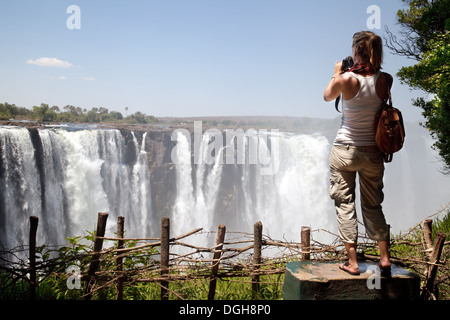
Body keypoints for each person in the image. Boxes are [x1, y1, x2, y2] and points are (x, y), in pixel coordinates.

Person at [323, 31, 392, 277]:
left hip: (345, 150)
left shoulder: (345, 80)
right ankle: (384, 259)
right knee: (373, 204)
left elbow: (326, 96)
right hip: (373, 151)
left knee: (345, 203)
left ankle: (352, 263)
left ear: (356, 50)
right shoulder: (386, 80)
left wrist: (337, 71)